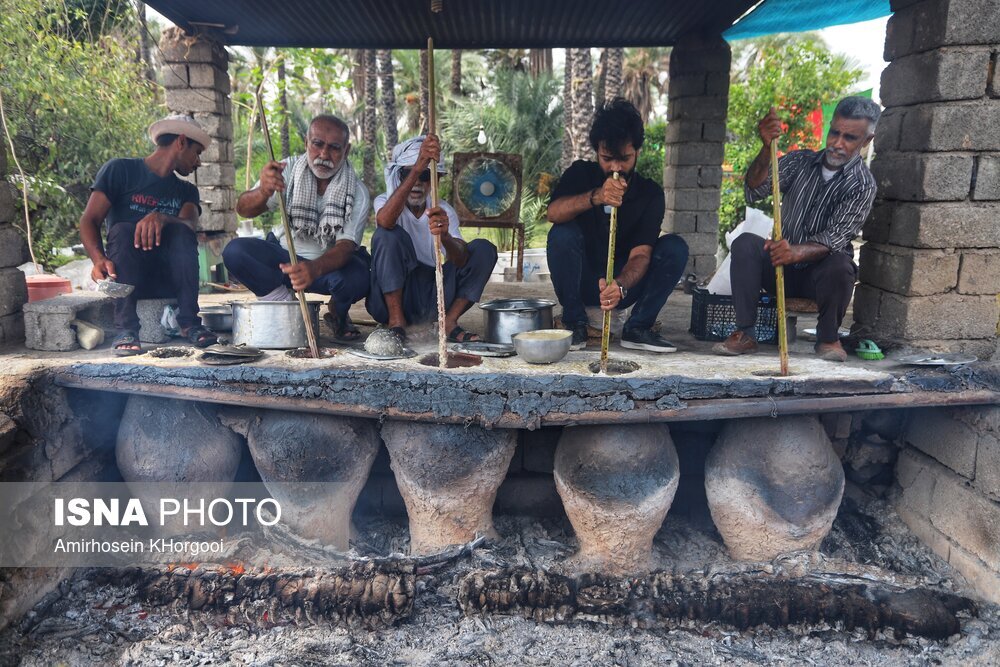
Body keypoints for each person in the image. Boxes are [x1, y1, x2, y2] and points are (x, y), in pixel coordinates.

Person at [713, 96, 880, 362]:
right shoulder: (799, 161)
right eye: (834, 132)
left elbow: (835, 238)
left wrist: (796, 252)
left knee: (841, 265)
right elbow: (754, 190)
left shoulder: (863, 184)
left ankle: (827, 338)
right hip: (782, 267)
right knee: (745, 243)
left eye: (849, 138)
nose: (837, 143)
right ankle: (745, 333)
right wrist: (766, 148)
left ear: (867, 140)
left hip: (821, 277)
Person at [547, 97, 689, 352]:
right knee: (561, 232)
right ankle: (574, 322)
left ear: (637, 151)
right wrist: (596, 196)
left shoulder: (650, 193)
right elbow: (554, 213)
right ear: (596, 152)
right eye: (607, 158)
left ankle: (638, 327)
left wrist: (621, 285)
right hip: (582, 281)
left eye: (624, 158)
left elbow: (642, 254)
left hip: (625, 286)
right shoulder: (580, 174)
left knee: (674, 247)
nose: (615, 167)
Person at [79, 114, 218, 356]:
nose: (197, 162)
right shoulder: (120, 170)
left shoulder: (186, 190)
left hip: (171, 280)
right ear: (181, 142)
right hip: (126, 278)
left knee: (180, 231)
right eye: (197, 153)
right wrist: (98, 259)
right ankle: (126, 328)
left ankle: (189, 322)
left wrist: (163, 217)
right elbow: (89, 220)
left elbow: (189, 224)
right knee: (122, 230)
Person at [223, 114, 370, 341]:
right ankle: (283, 302)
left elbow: (346, 246)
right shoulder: (286, 170)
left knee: (359, 277)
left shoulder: (357, 190)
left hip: (326, 270)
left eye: (334, 148)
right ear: (306, 143)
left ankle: (338, 313)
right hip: (284, 261)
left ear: (346, 150)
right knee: (235, 252)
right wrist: (262, 191)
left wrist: (313, 269)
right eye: (317, 144)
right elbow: (244, 210)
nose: (323, 155)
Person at [367, 134, 497, 344]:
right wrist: (418, 167)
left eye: (426, 176)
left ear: (436, 180)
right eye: (408, 174)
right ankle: (396, 322)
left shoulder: (443, 210)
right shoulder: (385, 202)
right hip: (391, 295)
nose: (417, 183)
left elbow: (462, 260)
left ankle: (448, 322)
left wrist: (445, 236)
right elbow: (384, 221)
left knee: (483, 249)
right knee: (386, 235)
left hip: (430, 295)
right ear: (398, 177)